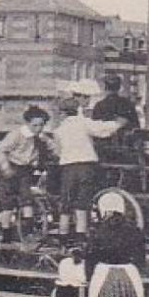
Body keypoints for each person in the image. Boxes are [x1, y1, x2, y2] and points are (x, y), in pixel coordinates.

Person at [52, 95, 125, 238]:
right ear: (77, 109)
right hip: (87, 166)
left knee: (66, 203)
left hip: (68, 168)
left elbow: (58, 151)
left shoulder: (58, 131)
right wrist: (118, 123)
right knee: (82, 202)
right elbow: (103, 130)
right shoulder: (84, 123)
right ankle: (80, 237)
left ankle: (63, 237)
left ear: (62, 113)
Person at [0, 105, 56, 241]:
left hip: (25, 170)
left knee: (27, 200)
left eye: (41, 125)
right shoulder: (16, 135)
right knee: (8, 204)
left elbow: (53, 148)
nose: (38, 128)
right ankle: (6, 236)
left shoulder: (41, 137)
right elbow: (0, 151)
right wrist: (6, 168)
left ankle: (28, 231)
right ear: (27, 123)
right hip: (9, 169)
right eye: (35, 125)